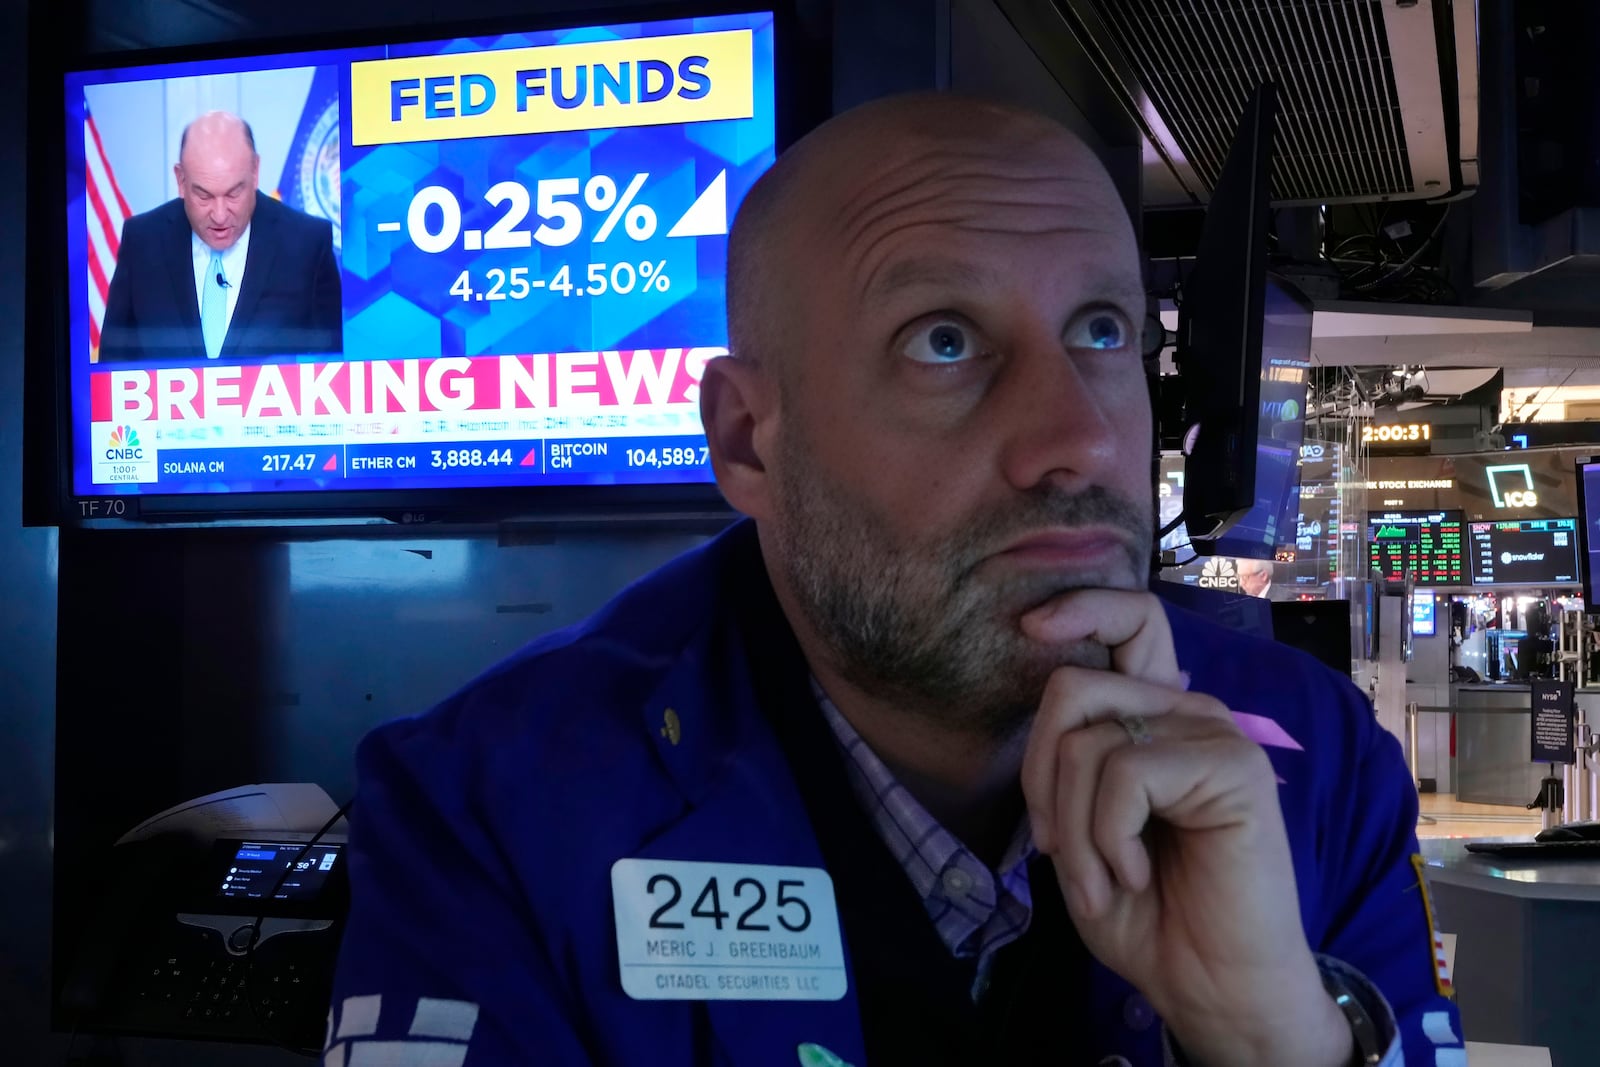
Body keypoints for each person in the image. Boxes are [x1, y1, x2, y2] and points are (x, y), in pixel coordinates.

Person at [326, 94, 1462, 1066]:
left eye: (1102, 329)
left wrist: (1269, 1035)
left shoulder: (1313, 764)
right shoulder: (491, 808)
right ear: (749, 441)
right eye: (945, 342)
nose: (1074, 437)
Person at [98, 110, 342, 362]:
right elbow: (111, 372)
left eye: (234, 193)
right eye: (204, 196)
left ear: (255, 171)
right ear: (181, 179)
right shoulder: (142, 242)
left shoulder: (308, 245)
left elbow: (332, 371)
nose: (220, 215)